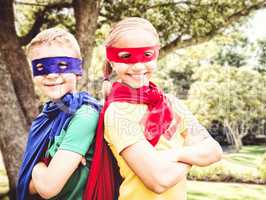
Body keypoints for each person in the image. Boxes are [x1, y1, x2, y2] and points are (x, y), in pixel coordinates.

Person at [85, 17, 223, 200]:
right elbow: (158, 180)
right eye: (126, 57)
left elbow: (214, 150)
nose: (138, 66)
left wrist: (175, 154)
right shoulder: (118, 112)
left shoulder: (171, 103)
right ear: (111, 61)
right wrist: (191, 152)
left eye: (147, 55)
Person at [17, 27, 100, 200]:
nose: (52, 74)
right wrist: (43, 172)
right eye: (41, 67)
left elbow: (47, 187)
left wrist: (37, 167)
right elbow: (29, 187)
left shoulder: (84, 116)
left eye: (62, 65)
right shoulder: (44, 117)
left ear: (78, 69)